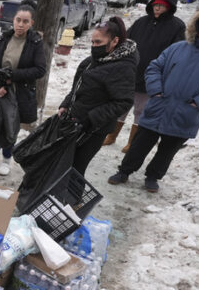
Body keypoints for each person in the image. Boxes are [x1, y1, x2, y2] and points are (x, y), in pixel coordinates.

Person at [108, 4, 199, 193]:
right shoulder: (178, 48)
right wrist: (156, 90)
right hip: (160, 105)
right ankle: (124, 171)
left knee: (168, 149)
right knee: (140, 143)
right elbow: (155, 67)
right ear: (197, 25)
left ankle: (153, 176)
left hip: (186, 111)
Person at [103, 0, 186, 152]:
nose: (157, 8)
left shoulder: (177, 26)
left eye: (161, 6)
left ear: (169, 7)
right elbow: (127, 41)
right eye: (155, 5)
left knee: (141, 111)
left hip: (152, 77)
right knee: (121, 107)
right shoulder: (142, 21)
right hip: (131, 73)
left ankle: (132, 142)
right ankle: (111, 135)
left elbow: (177, 53)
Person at [57, 16, 138, 178]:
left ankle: (73, 201)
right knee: (61, 165)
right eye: (92, 42)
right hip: (74, 122)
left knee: (75, 169)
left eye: (98, 43)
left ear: (114, 41)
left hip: (93, 130)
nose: (94, 47)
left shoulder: (123, 68)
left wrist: (91, 118)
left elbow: (124, 102)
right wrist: (66, 104)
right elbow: (77, 86)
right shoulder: (94, 60)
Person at [0, 4, 46, 175]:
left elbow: (40, 69)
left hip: (19, 93)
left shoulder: (35, 43)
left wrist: (13, 75)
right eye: (18, 20)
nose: (20, 24)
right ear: (13, 20)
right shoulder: (4, 39)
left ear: (31, 23)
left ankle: (7, 160)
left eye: (25, 21)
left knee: (10, 126)